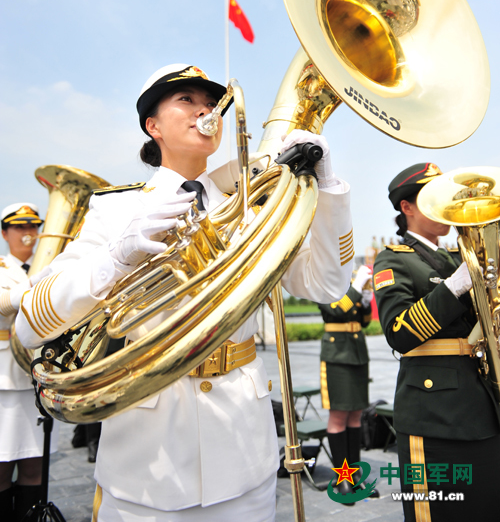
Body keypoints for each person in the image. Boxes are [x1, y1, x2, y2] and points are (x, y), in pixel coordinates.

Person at [15, 63, 354, 522]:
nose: (205, 111)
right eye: (186, 101)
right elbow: (30, 324)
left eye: (211, 102)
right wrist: (114, 259)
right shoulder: (116, 209)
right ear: (153, 126)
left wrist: (329, 190)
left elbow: (327, 284)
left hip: (244, 454)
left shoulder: (251, 210)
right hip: (149, 463)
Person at [374, 163, 500, 522]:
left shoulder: (461, 255)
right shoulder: (394, 260)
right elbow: (399, 333)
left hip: (482, 404)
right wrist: (457, 285)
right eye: (431, 198)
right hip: (433, 414)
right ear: (407, 208)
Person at [0, 203, 58, 522]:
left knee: (34, 465)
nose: (28, 233)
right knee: (2, 464)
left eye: (33, 227)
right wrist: (37, 287)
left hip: (38, 380)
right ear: (5, 232)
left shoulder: (47, 266)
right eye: (20, 227)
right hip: (4, 381)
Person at [318, 263, 378, 500]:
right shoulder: (321, 281)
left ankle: (354, 476)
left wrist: (365, 300)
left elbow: (363, 322)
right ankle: (342, 478)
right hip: (337, 356)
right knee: (339, 416)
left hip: (357, 353)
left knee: (355, 414)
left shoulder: (349, 281)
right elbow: (336, 311)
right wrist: (355, 288)